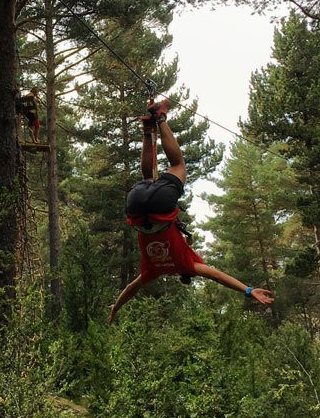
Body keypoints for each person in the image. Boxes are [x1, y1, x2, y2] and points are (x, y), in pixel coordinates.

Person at [107, 99, 274, 324]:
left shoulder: (186, 264)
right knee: (148, 177)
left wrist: (248, 290)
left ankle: (160, 118)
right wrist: (115, 308)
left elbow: (217, 275)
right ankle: (148, 129)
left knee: (178, 165)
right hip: (136, 210)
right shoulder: (152, 271)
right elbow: (130, 289)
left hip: (161, 211)